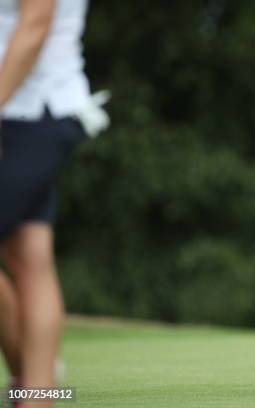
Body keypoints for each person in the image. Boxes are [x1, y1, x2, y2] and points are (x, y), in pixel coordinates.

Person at [0, 1, 107, 406]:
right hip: (18, 113)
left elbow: (36, 23)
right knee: (29, 255)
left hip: (32, 113)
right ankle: (36, 387)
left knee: (29, 258)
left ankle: (33, 384)